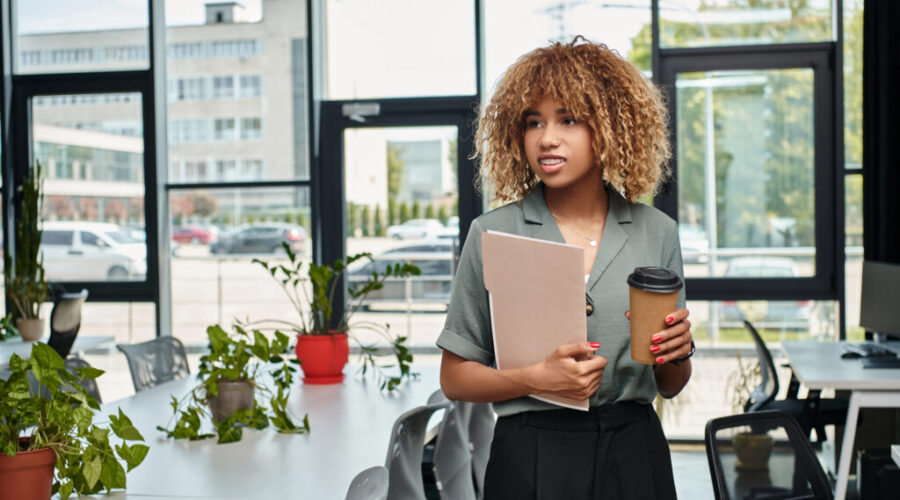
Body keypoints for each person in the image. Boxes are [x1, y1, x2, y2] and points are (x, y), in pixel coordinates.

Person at [436, 36, 694, 499]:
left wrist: (678, 352)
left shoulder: (657, 232)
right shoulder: (492, 233)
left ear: (610, 127)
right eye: (534, 122)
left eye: (568, 119)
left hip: (634, 453)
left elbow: (670, 386)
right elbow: (454, 378)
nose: (547, 138)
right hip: (530, 453)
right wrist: (534, 379)